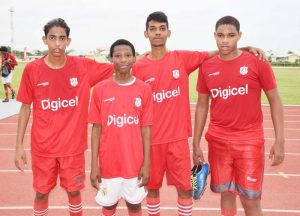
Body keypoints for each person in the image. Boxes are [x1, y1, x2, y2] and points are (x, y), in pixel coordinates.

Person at [132, 11, 267, 216]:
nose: (157, 33)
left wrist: (244, 48)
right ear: (145, 33)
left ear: (169, 32)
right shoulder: (138, 65)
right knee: (151, 188)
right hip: (150, 139)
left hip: (177, 139)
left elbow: (216, 52)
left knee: (186, 189)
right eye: (153, 29)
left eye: (162, 29)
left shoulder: (182, 58)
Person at [14, 18, 114, 216]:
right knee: (41, 194)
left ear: (69, 41)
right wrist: (18, 146)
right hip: (43, 148)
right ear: (45, 40)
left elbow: (121, 65)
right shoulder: (32, 70)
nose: (57, 44)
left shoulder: (83, 67)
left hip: (73, 149)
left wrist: (150, 57)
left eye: (62, 38)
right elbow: (25, 108)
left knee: (74, 192)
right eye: (52, 38)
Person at [192, 16, 285, 216]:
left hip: (249, 141)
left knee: (250, 199)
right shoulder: (207, 67)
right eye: (220, 35)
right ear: (214, 36)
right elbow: (201, 105)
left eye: (231, 35)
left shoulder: (257, 62)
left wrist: (280, 140)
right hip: (218, 141)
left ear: (239, 36)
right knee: (226, 193)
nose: (225, 40)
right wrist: (196, 143)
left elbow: (275, 100)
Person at [88, 39, 153, 216]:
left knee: (134, 205)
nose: (123, 59)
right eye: (117, 56)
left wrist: (146, 163)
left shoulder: (144, 89)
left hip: (134, 164)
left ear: (134, 59)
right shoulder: (100, 89)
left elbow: (146, 129)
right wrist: (94, 165)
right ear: (110, 59)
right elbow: (96, 129)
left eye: (127, 55)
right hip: (108, 164)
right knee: (108, 206)